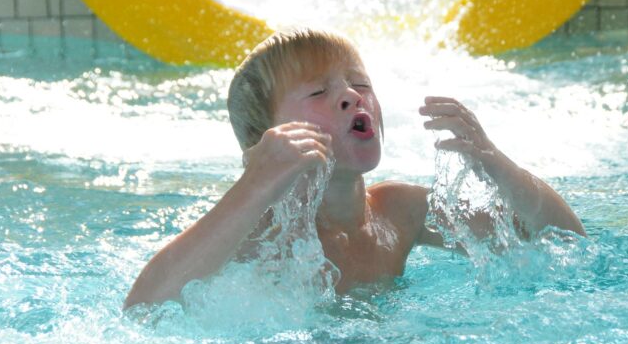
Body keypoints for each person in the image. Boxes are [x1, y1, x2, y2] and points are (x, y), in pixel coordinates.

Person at [123, 28, 585, 308]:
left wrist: (494, 161)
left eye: (360, 83)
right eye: (318, 92)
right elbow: (145, 307)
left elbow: (561, 243)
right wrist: (253, 186)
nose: (351, 96)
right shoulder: (254, 234)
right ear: (262, 140)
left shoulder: (399, 212)